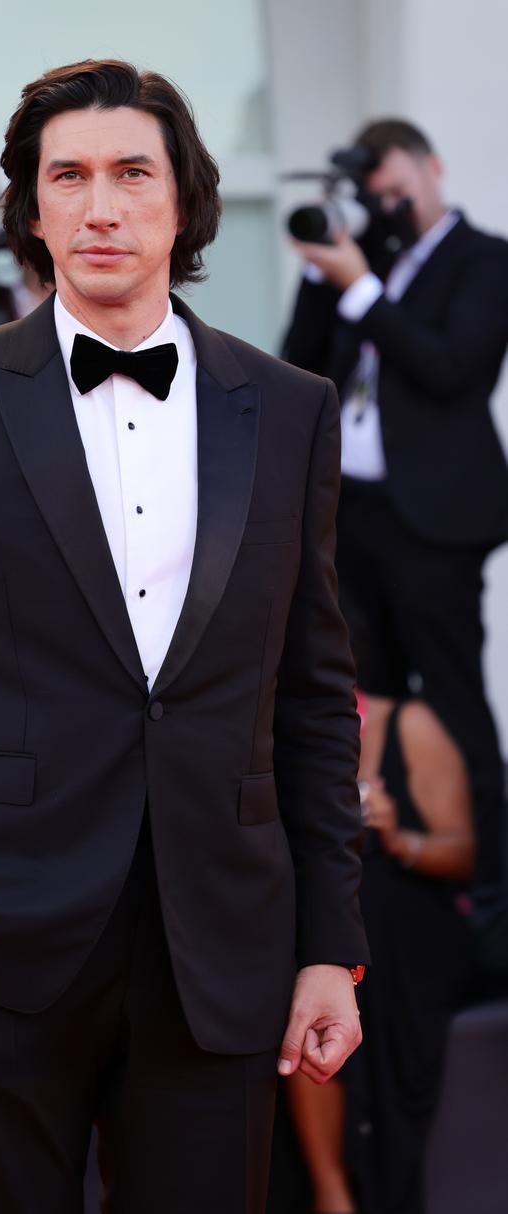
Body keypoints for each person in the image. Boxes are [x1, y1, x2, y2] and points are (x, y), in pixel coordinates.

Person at [0, 59, 369, 1214]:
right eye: (67, 176)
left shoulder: (291, 407)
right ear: (30, 207)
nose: (100, 205)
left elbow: (314, 695)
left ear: (184, 202)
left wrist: (330, 942)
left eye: (131, 173)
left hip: (220, 943)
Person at [282, 118, 508, 899]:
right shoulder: (359, 263)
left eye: (397, 193)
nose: (388, 211)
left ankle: (488, 892)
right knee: (357, 695)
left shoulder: (486, 260)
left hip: (436, 522)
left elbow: (452, 370)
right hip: (353, 512)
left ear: (433, 168)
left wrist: (362, 290)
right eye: (374, 200)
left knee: (452, 698)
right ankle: (370, 864)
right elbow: (298, 369)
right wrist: (323, 271)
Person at [286, 693, 475, 1214]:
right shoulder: (267, 721)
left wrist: (397, 839)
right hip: (321, 921)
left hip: (405, 924)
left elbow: (463, 854)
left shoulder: (408, 723)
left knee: (360, 911)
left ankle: (352, 1179)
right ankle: (332, 1185)